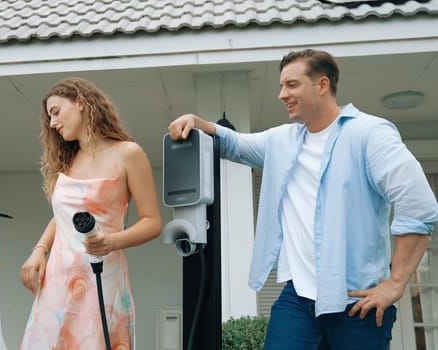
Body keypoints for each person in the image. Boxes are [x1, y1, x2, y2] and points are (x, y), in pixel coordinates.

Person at [168, 49, 438, 349]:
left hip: (357, 301)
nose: (282, 94)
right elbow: (234, 143)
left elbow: (419, 206)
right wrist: (195, 120)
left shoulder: (369, 134)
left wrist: (396, 284)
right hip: (298, 298)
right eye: (282, 86)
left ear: (322, 85)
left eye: (292, 85)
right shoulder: (282, 140)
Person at [19, 77, 162, 349]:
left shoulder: (128, 154)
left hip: (101, 282)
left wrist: (112, 241)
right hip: (57, 283)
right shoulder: (68, 161)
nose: (52, 123)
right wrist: (39, 250)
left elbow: (152, 222)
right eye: (50, 117)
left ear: (81, 104)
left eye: (56, 112)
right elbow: (63, 215)